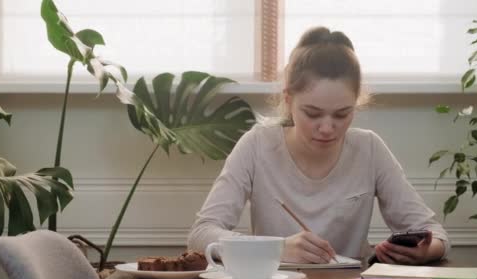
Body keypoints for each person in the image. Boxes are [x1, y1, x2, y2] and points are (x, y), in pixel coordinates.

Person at [187, 26, 449, 265]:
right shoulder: (257, 145)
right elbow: (201, 234)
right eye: (312, 113)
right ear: (288, 99)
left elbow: (435, 235)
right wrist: (275, 249)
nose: (327, 128)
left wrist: (426, 250)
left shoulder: (369, 149)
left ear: (356, 104)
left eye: (342, 114)